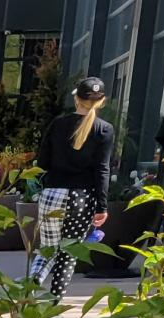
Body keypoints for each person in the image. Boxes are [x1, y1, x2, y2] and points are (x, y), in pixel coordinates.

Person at [30, 77, 114, 299]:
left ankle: (33, 282)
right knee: (69, 252)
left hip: (53, 193)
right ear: (102, 101)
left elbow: (43, 162)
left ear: (77, 98)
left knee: (47, 248)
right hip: (82, 198)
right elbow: (102, 170)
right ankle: (54, 302)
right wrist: (102, 206)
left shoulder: (58, 124)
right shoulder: (104, 130)